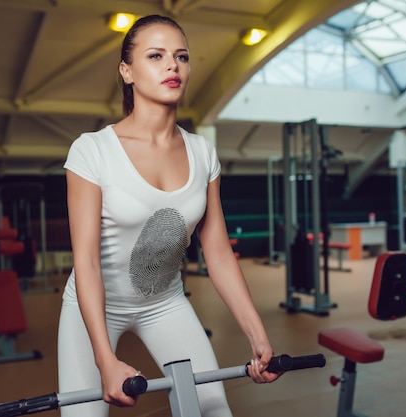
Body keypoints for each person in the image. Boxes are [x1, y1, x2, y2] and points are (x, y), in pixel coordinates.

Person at [57, 14, 281, 417]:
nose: (172, 66)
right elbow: (86, 262)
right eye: (156, 55)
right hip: (94, 306)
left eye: (181, 56)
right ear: (127, 71)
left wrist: (257, 333)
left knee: (213, 410)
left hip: (165, 303)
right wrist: (106, 361)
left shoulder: (203, 152)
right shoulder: (92, 150)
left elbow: (218, 252)